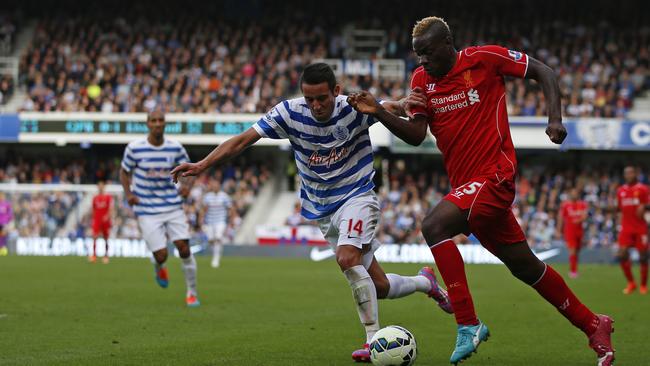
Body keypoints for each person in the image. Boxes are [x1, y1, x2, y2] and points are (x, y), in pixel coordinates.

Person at [346, 16, 614, 366]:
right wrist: (379, 111)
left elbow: (545, 72)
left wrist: (555, 118)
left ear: (447, 44)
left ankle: (467, 322)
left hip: (495, 176)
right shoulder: (421, 81)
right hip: (469, 189)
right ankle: (594, 325)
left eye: (427, 53)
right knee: (526, 267)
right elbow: (414, 136)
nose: (423, 61)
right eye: (418, 55)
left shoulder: (485, 59)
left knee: (434, 226)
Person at [172, 62, 452, 362]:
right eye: (310, 99)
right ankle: (426, 282)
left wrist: (402, 105)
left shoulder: (354, 107)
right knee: (379, 287)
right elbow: (243, 140)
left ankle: (372, 340)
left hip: (358, 195)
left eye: (322, 98)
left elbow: (389, 107)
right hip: (323, 210)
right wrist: (201, 165)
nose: (316, 105)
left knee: (347, 258)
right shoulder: (289, 113)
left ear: (336, 91)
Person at [120, 109, 200, 307]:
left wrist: (187, 187)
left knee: (183, 248)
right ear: (147, 123)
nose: (157, 123)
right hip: (146, 209)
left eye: (160, 120)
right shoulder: (134, 148)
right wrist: (129, 193)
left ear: (165, 124)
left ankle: (192, 293)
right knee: (161, 254)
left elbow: (190, 169)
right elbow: (124, 171)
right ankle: (159, 266)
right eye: (153, 120)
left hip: (172, 206)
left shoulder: (175, 147)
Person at [616, 166, 649, 295]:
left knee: (643, 257)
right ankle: (631, 283)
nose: (629, 175)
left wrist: (644, 206)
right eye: (626, 173)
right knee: (622, 254)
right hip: (626, 228)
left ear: (636, 174)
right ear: (624, 176)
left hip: (641, 228)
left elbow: (648, 204)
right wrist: (619, 226)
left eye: (631, 172)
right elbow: (619, 210)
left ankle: (643, 285)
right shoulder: (621, 191)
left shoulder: (643, 189)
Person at [200, 179, 231, 268]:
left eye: (216, 185)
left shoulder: (224, 196)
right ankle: (215, 254)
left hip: (221, 221)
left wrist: (230, 220)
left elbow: (230, 208)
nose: (215, 187)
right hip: (210, 221)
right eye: (213, 185)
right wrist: (201, 219)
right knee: (211, 240)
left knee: (217, 238)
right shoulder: (208, 197)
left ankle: (216, 259)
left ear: (219, 186)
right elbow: (204, 209)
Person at [558, 187, 588, 278]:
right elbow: (561, 218)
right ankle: (573, 271)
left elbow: (585, 216)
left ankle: (574, 269)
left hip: (579, 231)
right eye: (573, 193)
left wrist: (579, 220)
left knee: (577, 250)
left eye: (576, 193)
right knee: (573, 250)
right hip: (570, 231)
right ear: (570, 194)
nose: (575, 195)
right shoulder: (565, 205)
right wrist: (559, 230)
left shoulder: (582, 204)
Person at [90, 181, 113, 263]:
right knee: (95, 237)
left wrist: (107, 216)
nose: (100, 187)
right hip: (97, 220)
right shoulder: (95, 198)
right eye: (99, 186)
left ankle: (106, 255)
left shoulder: (108, 197)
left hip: (105, 221)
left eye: (102, 186)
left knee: (106, 238)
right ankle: (94, 255)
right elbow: (93, 209)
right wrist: (93, 218)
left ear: (104, 187)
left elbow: (111, 209)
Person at [0, 192, 12, 256]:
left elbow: (10, 213)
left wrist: (8, 221)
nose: (1, 197)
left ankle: (3, 248)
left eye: (2, 196)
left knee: (3, 235)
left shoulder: (7, 204)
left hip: (4, 222)